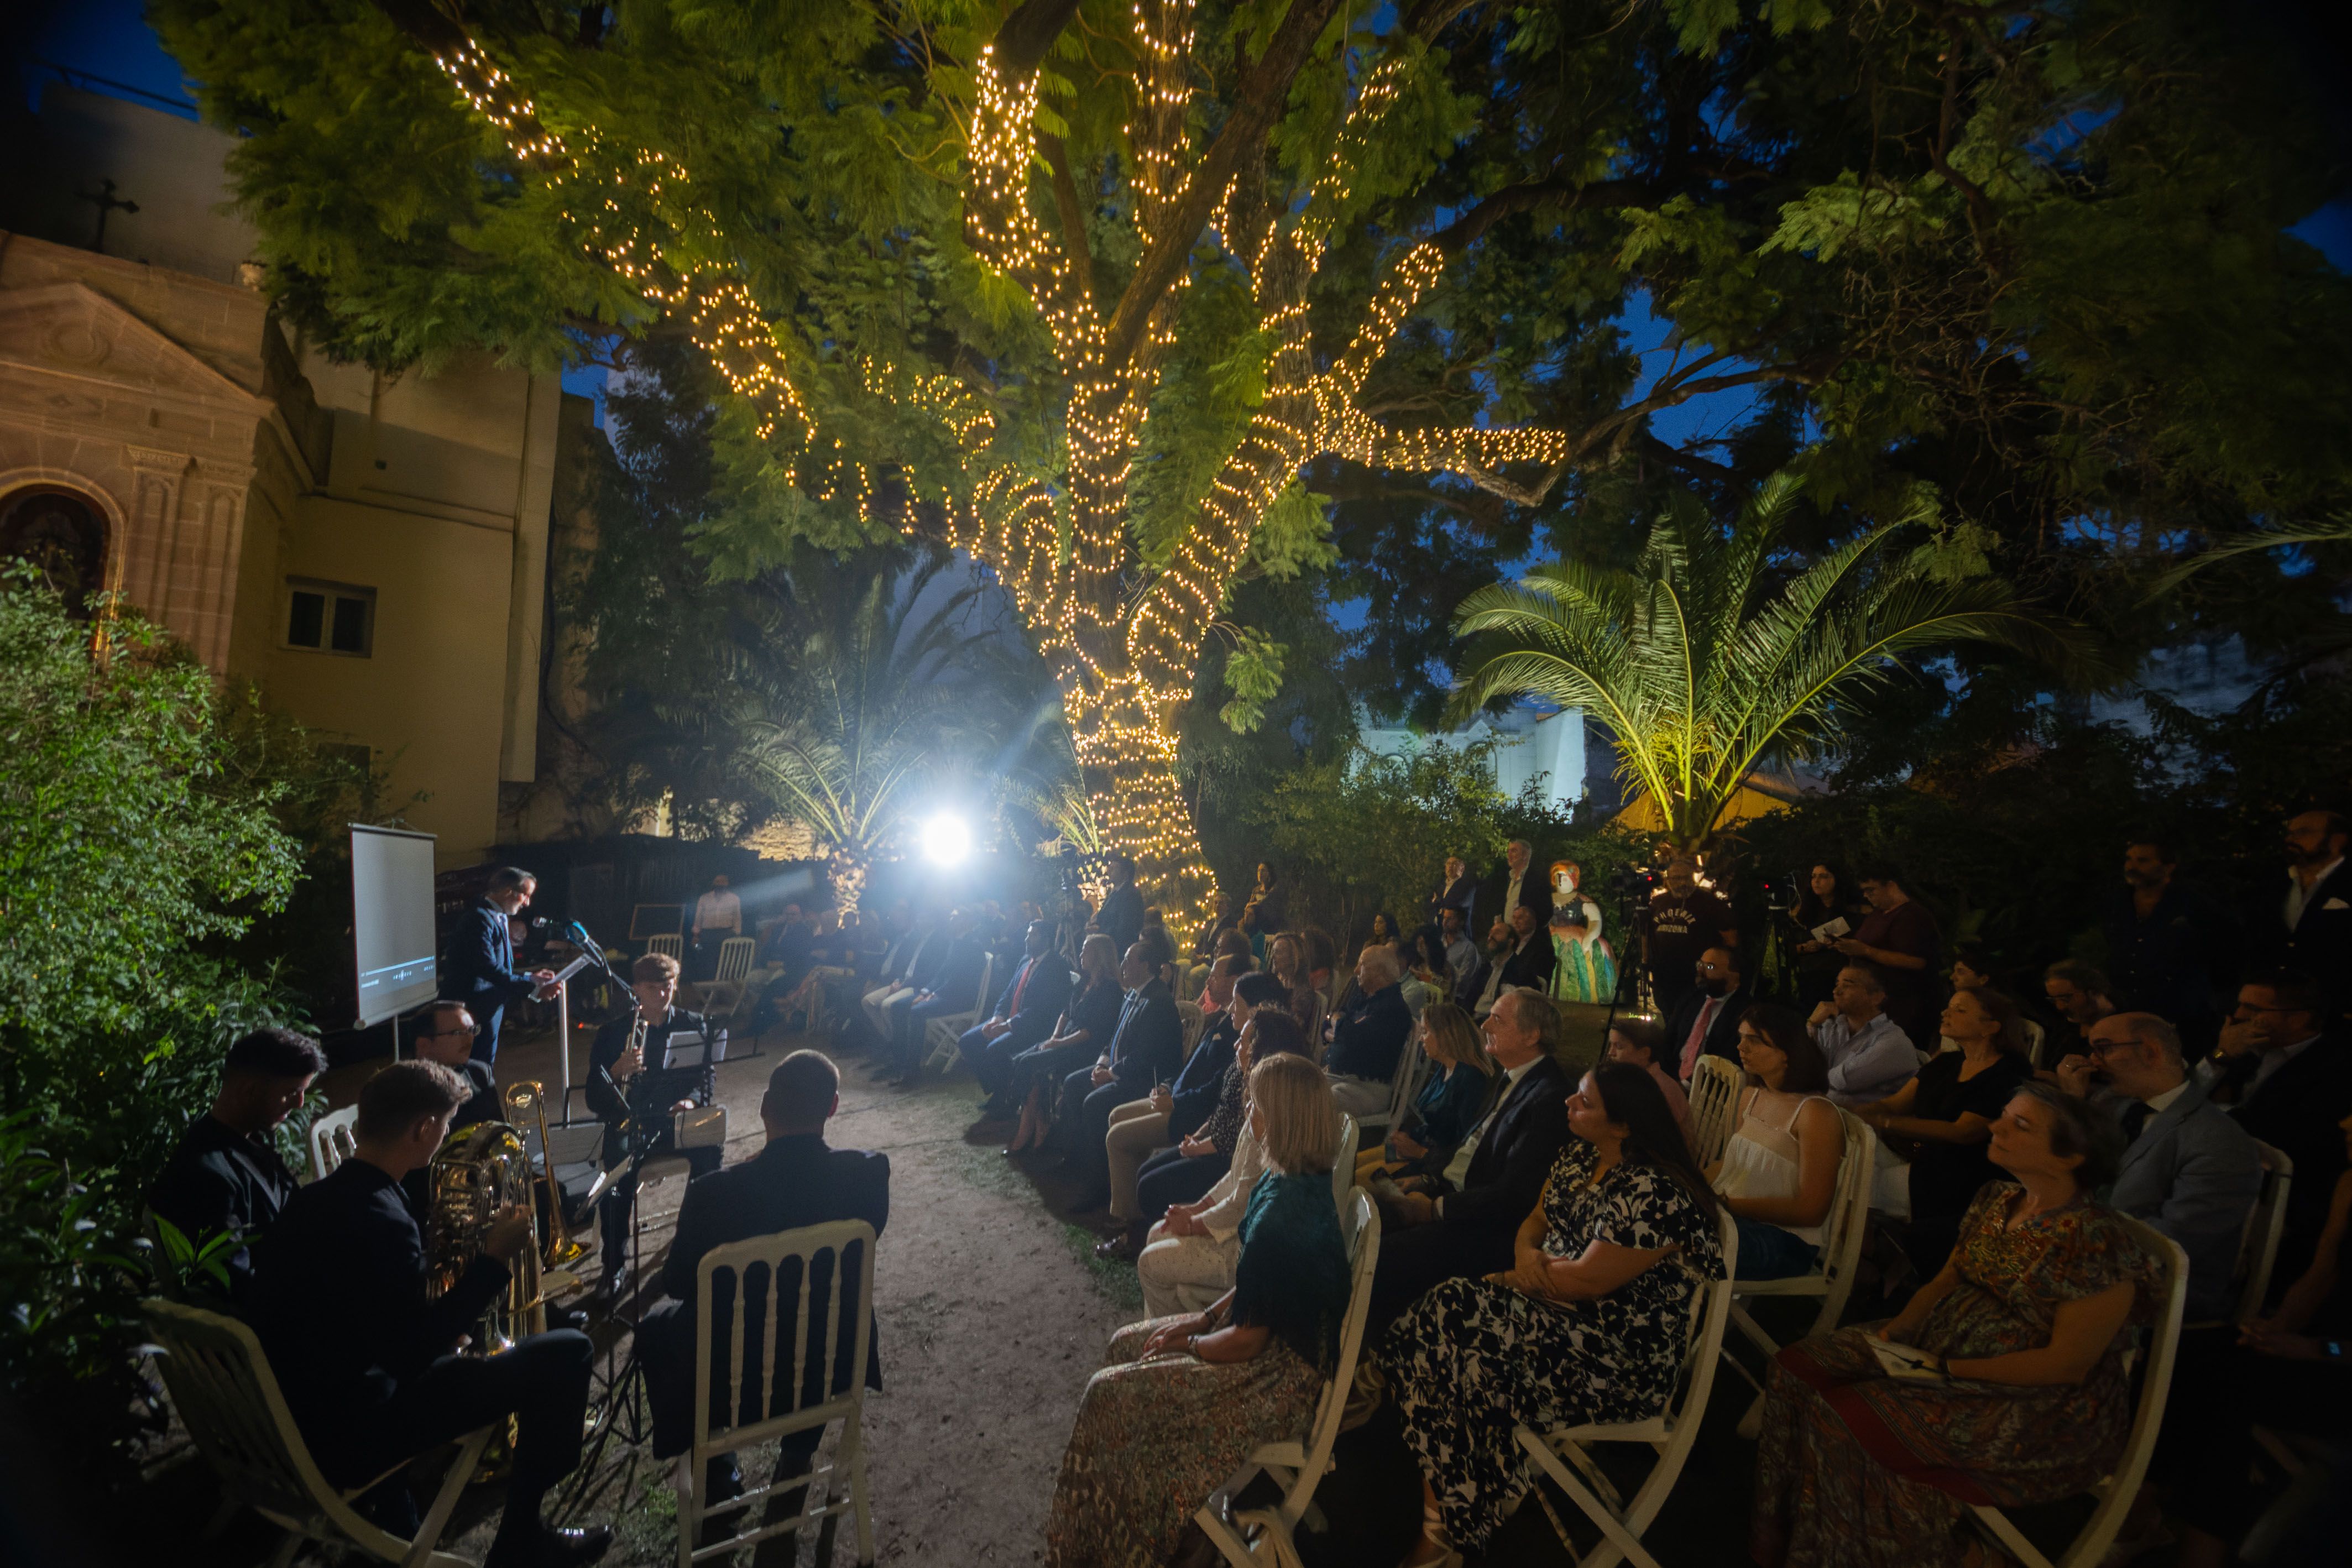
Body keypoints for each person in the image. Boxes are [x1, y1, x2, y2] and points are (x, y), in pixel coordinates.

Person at [1750, 1083, 2158, 1568]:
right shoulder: (1998, 1198)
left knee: (1850, 1417)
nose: (1995, 1126)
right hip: (1941, 1348)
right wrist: (1899, 1331)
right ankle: (1801, 1538)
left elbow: (2066, 1365)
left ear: (2071, 1157)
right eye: (2003, 1115)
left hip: (2038, 1406)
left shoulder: (2095, 1242)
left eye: (2019, 1125)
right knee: (1797, 1368)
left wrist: (1946, 1370)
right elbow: (1950, 1277)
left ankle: (1946, 1555)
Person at [248, 1062, 608, 1568]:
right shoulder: (384, 1219)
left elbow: (369, 1317)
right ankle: (523, 1540)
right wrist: (494, 1261)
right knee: (568, 1352)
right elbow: (413, 1355)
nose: (446, 1137)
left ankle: (412, 1517)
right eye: (445, 1126)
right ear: (422, 1129)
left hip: (294, 1416)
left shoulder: (310, 1201)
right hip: (353, 1432)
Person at [1383, 1061, 1725, 1565]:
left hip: (1616, 1356)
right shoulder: (1579, 1155)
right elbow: (1536, 1220)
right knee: (1445, 1320)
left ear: (1624, 1124)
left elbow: (1588, 1282)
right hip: (1549, 1310)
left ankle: (1448, 1519)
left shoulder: (1657, 1193)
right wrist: (1525, 1255)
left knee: (1452, 1316)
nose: (1569, 1102)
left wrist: (1503, 1280)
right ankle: (1463, 1500)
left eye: (1585, 1102)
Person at [1046, 1052, 1349, 1568]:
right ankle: (1114, 1527)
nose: (1248, 1110)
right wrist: (1200, 1319)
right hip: (1265, 1348)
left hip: (1276, 1379)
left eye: (1256, 1103)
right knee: (1127, 1342)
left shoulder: (1283, 1213)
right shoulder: (1289, 1183)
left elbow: (1248, 1341)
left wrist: (1187, 1343)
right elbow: (1257, 1288)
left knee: (1109, 1394)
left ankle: (1116, 1542)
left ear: (1278, 1118)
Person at [636, 1052, 888, 1527]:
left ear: (764, 1108)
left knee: (658, 1326)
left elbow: (679, 1282)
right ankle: (798, 1452)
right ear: (832, 1107)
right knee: (824, 1309)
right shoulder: (868, 1175)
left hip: (732, 1381)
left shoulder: (714, 1192)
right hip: (829, 1364)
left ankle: (718, 1471)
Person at [2163, 1112, 2352, 1568]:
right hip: (2321, 1344)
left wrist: (2314, 1350)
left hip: (2341, 1365)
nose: (2344, 1123)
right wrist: (2277, 1329)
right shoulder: (2351, 1182)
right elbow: (2321, 1274)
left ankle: (2199, 1548)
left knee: (2227, 1388)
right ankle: (2145, 1511)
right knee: (2193, 1353)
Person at [1367, 988, 1573, 1328]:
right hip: (1455, 1195)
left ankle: (1372, 1350)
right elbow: (1471, 1150)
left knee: (1380, 1253)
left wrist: (1434, 1209)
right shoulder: (1513, 1078)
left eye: (1498, 1019)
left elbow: (1514, 1195)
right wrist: (1428, 1180)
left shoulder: (1549, 1098)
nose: (1484, 1024)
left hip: (1485, 1227)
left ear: (1532, 1035)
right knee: (1365, 1210)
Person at [2052, 1011, 2260, 1323]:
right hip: (2090, 1254)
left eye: (2104, 1048)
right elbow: (2068, 1171)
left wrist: (2064, 1255)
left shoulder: (2219, 1141)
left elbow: (2172, 1245)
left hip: (2165, 1287)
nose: (2094, 1062)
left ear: (2149, 1051)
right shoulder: (2113, 1103)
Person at [1135, 1007, 1314, 1315]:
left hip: (1244, 1249)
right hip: (1238, 1228)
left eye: (1244, 1042)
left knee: (1150, 1260)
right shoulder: (1258, 1097)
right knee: (1157, 1232)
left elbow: (1242, 1201)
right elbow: (1236, 1178)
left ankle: (1171, 1348)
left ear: (1263, 1050)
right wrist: (1197, 1208)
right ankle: (1167, 1330)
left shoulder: (1273, 1113)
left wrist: (1193, 1225)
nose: (1236, 1046)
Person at [1854, 986, 2035, 1277]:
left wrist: (1886, 1123)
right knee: (1845, 1159)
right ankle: (1868, 1259)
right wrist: (1853, 1113)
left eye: (1960, 1010)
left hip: (1963, 1177)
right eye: (1948, 1007)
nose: (1945, 1013)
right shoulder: (1948, 1063)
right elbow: (1895, 1104)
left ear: (1990, 1028)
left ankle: (1866, 1263)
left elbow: (1964, 1133)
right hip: (1923, 1159)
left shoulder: (2008, 1073)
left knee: (1850, 1179)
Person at [147, 1026, 326, 1296]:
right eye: (292, 1092)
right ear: (250, 1090)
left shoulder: (249, 1138)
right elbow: (233, 1282)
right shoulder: (204, 1176)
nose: (300, 1103)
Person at [1095, 955, 1250, 1259]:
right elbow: (1190, 1067)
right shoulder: (1222, 1020)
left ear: (1235, 983)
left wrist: (1175, 1101)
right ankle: (1124, 1205)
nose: (1208, 982)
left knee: (1118, 1138)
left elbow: (1213, 1094)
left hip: (1188, 1113)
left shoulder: (1239, 1037)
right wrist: (1168, 1086)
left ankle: (1129, 1221)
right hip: (1178, 1100)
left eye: (1216, 977)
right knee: (1117, 1116)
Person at [2198, 970, 2352, 1276]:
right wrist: (2221, 1055)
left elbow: (2269, 1131)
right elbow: (2181, 1098)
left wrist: (2210, 1114)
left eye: (2253, 1010)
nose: (2238, 1016)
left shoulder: (2336, 1069)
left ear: (2297, 1019)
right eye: (2239, 1004)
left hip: (2281, 1199)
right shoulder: (2244, 1047)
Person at [586, 953, 723, 1293]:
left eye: (669, 986)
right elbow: (592, 1098)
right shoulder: (612, 1033)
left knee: (711, 1150)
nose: (663, 994)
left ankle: (690, 1244)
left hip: (675, 1118)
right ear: (636, 990)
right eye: (653, 988)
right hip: (630, 1121)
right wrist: (616, 1072)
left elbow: (705, 1077)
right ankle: (613, 1266)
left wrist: (691, 1100)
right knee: (617, 1179)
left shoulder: (694, 1023)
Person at [1711, 1006, 1842, 1280]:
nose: (1741, 1047)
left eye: (1754, 1040)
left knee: (1673, 1232)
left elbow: (1812, 1210)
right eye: (1741, 1037)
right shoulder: (1751, 1096)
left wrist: (1728, 1204)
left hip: (1785, 1242)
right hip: (1735, 1221)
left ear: (1787, 1053)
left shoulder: (1816, 1113)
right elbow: (1729, 1166)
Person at [1053, 939, 1184, 1213]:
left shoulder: (1157, 1001)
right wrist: (1102, 1064)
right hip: (1118, 1069)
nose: (1122, 966)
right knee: (1074, 1084)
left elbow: (1147, 1057)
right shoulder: (1133, 994)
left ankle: (1099, 1186)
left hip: (1145, 1081)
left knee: (1094, 1104)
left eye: (1128, 960)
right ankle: (1077, 1159)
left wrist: (1111, 1074)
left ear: (1145, 966)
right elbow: (1113, 1038)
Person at [2103, 838, 2236, 1051]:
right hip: (2130, 1006)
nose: (2131, 866)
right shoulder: (2118, 902)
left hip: (2181, 1010)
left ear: (2168, 867)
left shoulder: (2193, 904)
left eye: (2143, 860)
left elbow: (2226, 947)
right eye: (2129, 859)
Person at [1003, 934, 1125, 1156]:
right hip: (1065, 1040)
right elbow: (1065, 1013)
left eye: (1086, 950)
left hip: (1083, 1049)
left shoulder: (1110, 990)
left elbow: (1091, 1033)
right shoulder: (1084, 982)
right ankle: (1040, 1121)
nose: (1080, 954)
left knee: (1030, 1064)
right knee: (1020, 1059)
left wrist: (1059, 1043)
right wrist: (1055, 1037)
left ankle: (1029, 1128)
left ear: (1098, 955)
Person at [1357, 1002, 1498, 1184]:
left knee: (1356, 1179)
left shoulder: (1471, 1080)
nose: (1421, 1039)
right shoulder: (1444, 1069)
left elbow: (1464, 1143)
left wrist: (1419, 1152)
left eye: (1426, 1032)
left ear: (1445, 1035)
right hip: (1412, 1150)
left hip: (1428, 1162)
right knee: (1351, 1163)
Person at [440, 866, 557, 1065]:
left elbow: (501, 969)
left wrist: (531, 977)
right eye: (526, 896)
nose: (528, 904)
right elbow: (488, 969)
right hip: (470, 1012)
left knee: (483, 1068)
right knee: (471, 1069)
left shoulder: (497, 916)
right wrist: (531, 983)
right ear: (509, 892)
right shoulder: (478, 919)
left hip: (487, 1009)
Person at [968, 919, 1079, 1117]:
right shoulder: (1025, 960)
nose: (1027, 939)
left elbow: (1041, 1011)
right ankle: (999, 1090)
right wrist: (997, 1018)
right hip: (1010, 1018)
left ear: (1045, 940)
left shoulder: (1056, 967)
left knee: (995, 1049)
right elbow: (1008, 993)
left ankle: (1008, 1099)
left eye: (1032, 935)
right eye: (1028, 934)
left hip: (1034, 1026)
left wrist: (1008, 1026)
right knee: (968, 1041)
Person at [1835, 863, 1942, 1043]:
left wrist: (1866, 951)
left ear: (1891, 886)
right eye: (1864, 891)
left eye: (1871, 890)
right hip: (1877, 1006)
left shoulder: (1912, 916)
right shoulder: (1878, 914)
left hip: (1903, 1006)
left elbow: (1916, 962)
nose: (1866, 896)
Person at [885, 908, 988, 1084]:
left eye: (954, 918)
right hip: (944, 993)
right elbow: (942, 974)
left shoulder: (974, 945)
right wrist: (926, 991)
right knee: (898, 1006)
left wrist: (933, 994)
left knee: (917, 1012)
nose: (950, 920)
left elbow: (961, 981)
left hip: (959, 998)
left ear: (965, 921)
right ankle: (899, 1062)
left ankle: (912, 1072)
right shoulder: (956, 942)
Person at [1808, 963, 1920, 1105]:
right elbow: (1797, 1063)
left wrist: (1808, 1080)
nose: (1836, 991)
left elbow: (1844, 1081)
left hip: (1870, 1124)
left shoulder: (1894, 1041)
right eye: (1837, 984)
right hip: (1832, 1116)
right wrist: (1811, 1023)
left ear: (1876, 997)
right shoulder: (1832, 1027)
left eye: (1847, 985)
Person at [1326, 943, 1414, 1118]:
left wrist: (1338, 1025)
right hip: (1340, 1078)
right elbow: (1330, 1025)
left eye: (1362, 964)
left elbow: (1351, 1037)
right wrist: (1339, 1027)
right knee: (1295, 1084)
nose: (1356, 970)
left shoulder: (1393, 1009)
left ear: (1380, 972)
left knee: (1311, 1101)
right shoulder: (1364, 998)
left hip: (1366, 1088)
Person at [2270, 808, 2349, 999]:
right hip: (2278, 1006)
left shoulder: (2347, 883)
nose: (2291, 840)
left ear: (2336, 841)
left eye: (2303, 833)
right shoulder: (2275, 884)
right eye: (2289, 833)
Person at [1644, 857, 1737, 1017]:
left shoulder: (1710, 903)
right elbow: (1646, 935)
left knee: (1691, 1016)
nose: (1682, 883)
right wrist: (1647, 962)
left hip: (1695, 976)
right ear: (1668, 880)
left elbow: (1731, 938)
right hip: (1665, 975)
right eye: (1677, 878)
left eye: (1686, 878)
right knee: (1669, 1015)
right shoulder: (1658, 903)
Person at [857, 905, 944, 1052]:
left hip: (915, 986)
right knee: (867, 1001)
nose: (919, 921)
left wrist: (904, 983)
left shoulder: (938, 941)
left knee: (887, 1005)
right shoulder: (918, 939)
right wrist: (898, 980)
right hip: (903, 981)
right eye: (919, 918)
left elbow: (931, 973)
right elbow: (904, 965)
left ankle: (899, 1047)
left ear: (933, 920)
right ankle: (891, 1041)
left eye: (923, 918)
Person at [1785, 861, 1867, 1015]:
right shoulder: (1804, 913)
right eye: (1814, 877)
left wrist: (1828, 944)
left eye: (1823, 876)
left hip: (1836, 977)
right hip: (1808, 979)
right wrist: (1805, 947)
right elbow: (1788, 947)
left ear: (1837, 879)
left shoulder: (1853, 912)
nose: (1816, 881)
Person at [1665, 944, 1752, 1084]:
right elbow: (1670, 1038)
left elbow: (1731, 1058)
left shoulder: (1745, 1011)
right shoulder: (1691, 998)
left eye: (1710, 967)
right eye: (1700, 964)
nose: (1701, 971)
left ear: (1734, 977)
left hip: (1712, 1085)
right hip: (1675, 1077)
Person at [1603, 1018, 1691, 1148]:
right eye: (1611, 1045)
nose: (1611, 1053)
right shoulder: (1635, 1081)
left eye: (1619, 1047)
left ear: (1644, 1053)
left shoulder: (1656, 1092)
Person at [410, 1002, 500, 1130]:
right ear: (424, 1045)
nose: (469, 1039)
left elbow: (498, 1130)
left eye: (471, 1031)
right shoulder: (407, 1088)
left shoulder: (480, 1073)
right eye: (457, 1033)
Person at [1471, 903, 1554, 1017]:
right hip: (1475, 1017)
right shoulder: (1487, 967)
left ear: (1510, 941)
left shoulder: (1522, 968)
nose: (1491, 937)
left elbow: (1533, 995)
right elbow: (1471, 996)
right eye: (1514, 918)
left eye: (1498, 933)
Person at [2041, 959, 2118, 1066]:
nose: (2060, 1007)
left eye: (2066, 998)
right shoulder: (2068, 1027)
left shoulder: (2121, 1033)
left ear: (2094, 992)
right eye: (2054, 1000)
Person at [1546, 903, 1618, 1004]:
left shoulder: (1581, 900)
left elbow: (1595, 920)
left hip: (1581, 939)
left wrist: (1589, 938)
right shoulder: (1551, 899)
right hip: (1556, 939)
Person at [1481, 838, 1553, 934]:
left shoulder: (1538, 880)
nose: (1509, 855)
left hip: (1526, 938)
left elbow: (1546, 912)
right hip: (1509, 936)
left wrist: (1529, 933)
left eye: (1514, 851)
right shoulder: (1508, 878)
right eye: (1508, 851)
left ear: (1525, 855)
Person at [689, 873, 741, 980]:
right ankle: (707, 990)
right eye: (718, 882)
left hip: (726, 933)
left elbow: (737, 917)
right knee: (704, 958)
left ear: (727, 883)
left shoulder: (734, 898)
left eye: (723, 882)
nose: (720, 884)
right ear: (713, 883)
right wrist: (696, 935)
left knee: (725, 961)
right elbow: (698, 917)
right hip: (707, 934)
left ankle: (722, 989)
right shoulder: (704, 898)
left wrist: (736, 933)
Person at [1093, 853, 1145, 955]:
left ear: (1125, 874)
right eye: (1110, 868)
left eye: (1114, 869)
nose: (1109, 871)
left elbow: (1125, 927)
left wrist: (1100, 931)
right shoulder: (1114, 893)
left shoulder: (1130, 895)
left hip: (1119, 949)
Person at [1426, 853, 1479, 936]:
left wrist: (1437, 901)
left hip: (1457, 934)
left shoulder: (1467, 886)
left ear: (1462, 868)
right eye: (1448, 863)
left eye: (1454, 863)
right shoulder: (1440, 885)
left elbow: (1455, 906)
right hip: (1438, 933)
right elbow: (1428, 904)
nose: (1450, 866)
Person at [1439, 907, 1479, 1000]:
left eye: (1450, 919)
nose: (1445, 922)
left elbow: (1462, 981)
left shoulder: (1468, 949)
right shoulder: (1439, 943)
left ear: (1461, 922)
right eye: (1444, 918)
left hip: (1454, 1001)